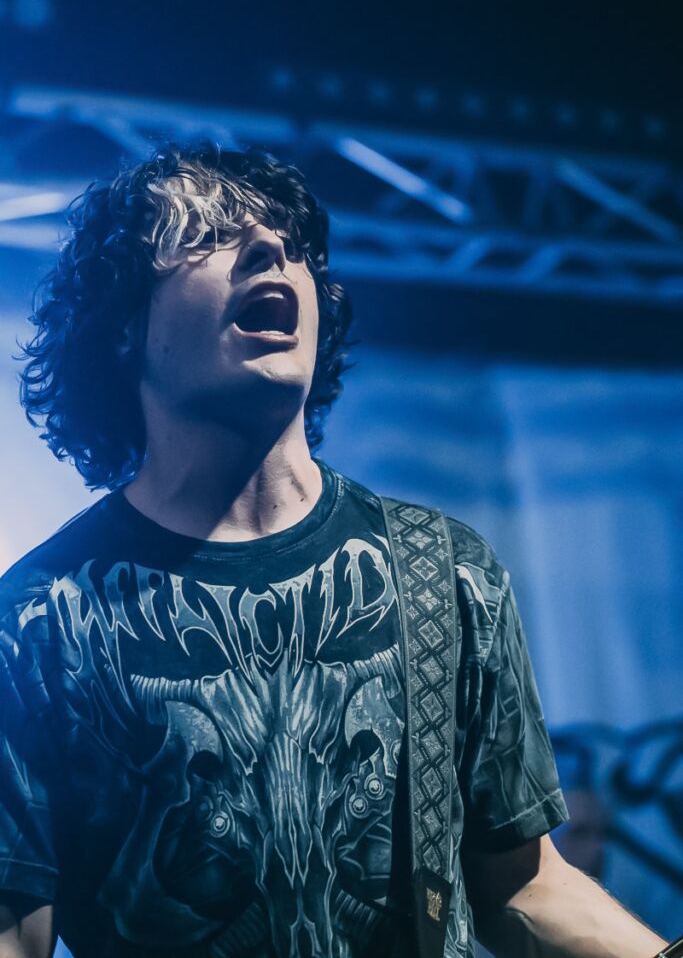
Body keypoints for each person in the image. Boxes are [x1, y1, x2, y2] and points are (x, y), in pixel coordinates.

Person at [0, 144, 667, 958]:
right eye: (207, 235)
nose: (268, 248)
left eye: (290, 243)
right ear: (121, 326)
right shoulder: (39, 622)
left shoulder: (441, 573)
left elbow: (521, 885)